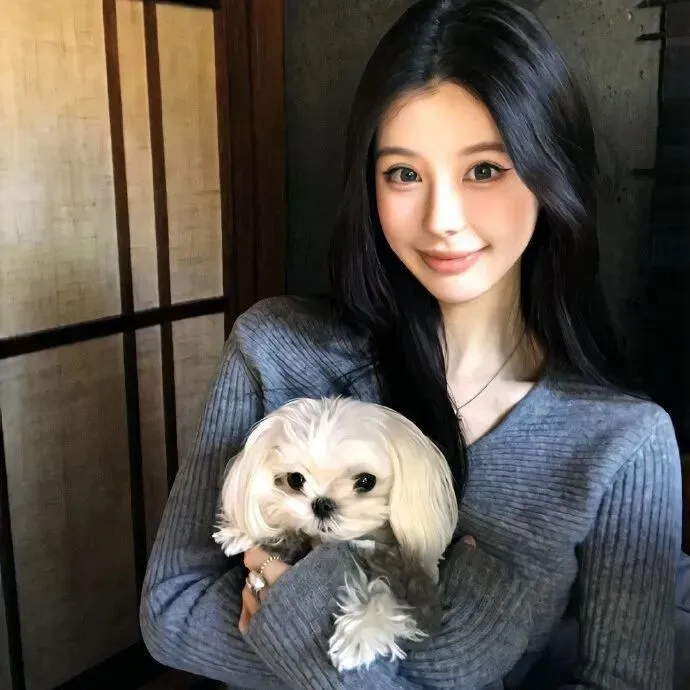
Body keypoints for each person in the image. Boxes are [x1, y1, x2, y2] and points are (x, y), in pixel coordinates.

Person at [140, 0, 685, 688]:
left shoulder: (623, 443)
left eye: (484, 170)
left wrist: (304, 636)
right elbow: (173, 611)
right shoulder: (276, 350)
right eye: (404, 173)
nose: (443, 219)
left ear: (552, 173)